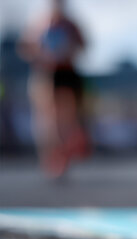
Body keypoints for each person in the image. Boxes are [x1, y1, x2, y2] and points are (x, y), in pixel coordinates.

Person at [20, 0, 88, 179]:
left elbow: (83, 46)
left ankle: (63, 156)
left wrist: (68, 50)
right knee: (47, 119)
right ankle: (51, 157)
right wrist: (40, 52)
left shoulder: (70, 25)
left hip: (66, 74)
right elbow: (25, 48)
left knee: (66, 118)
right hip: (46, 75)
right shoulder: (39, 24)